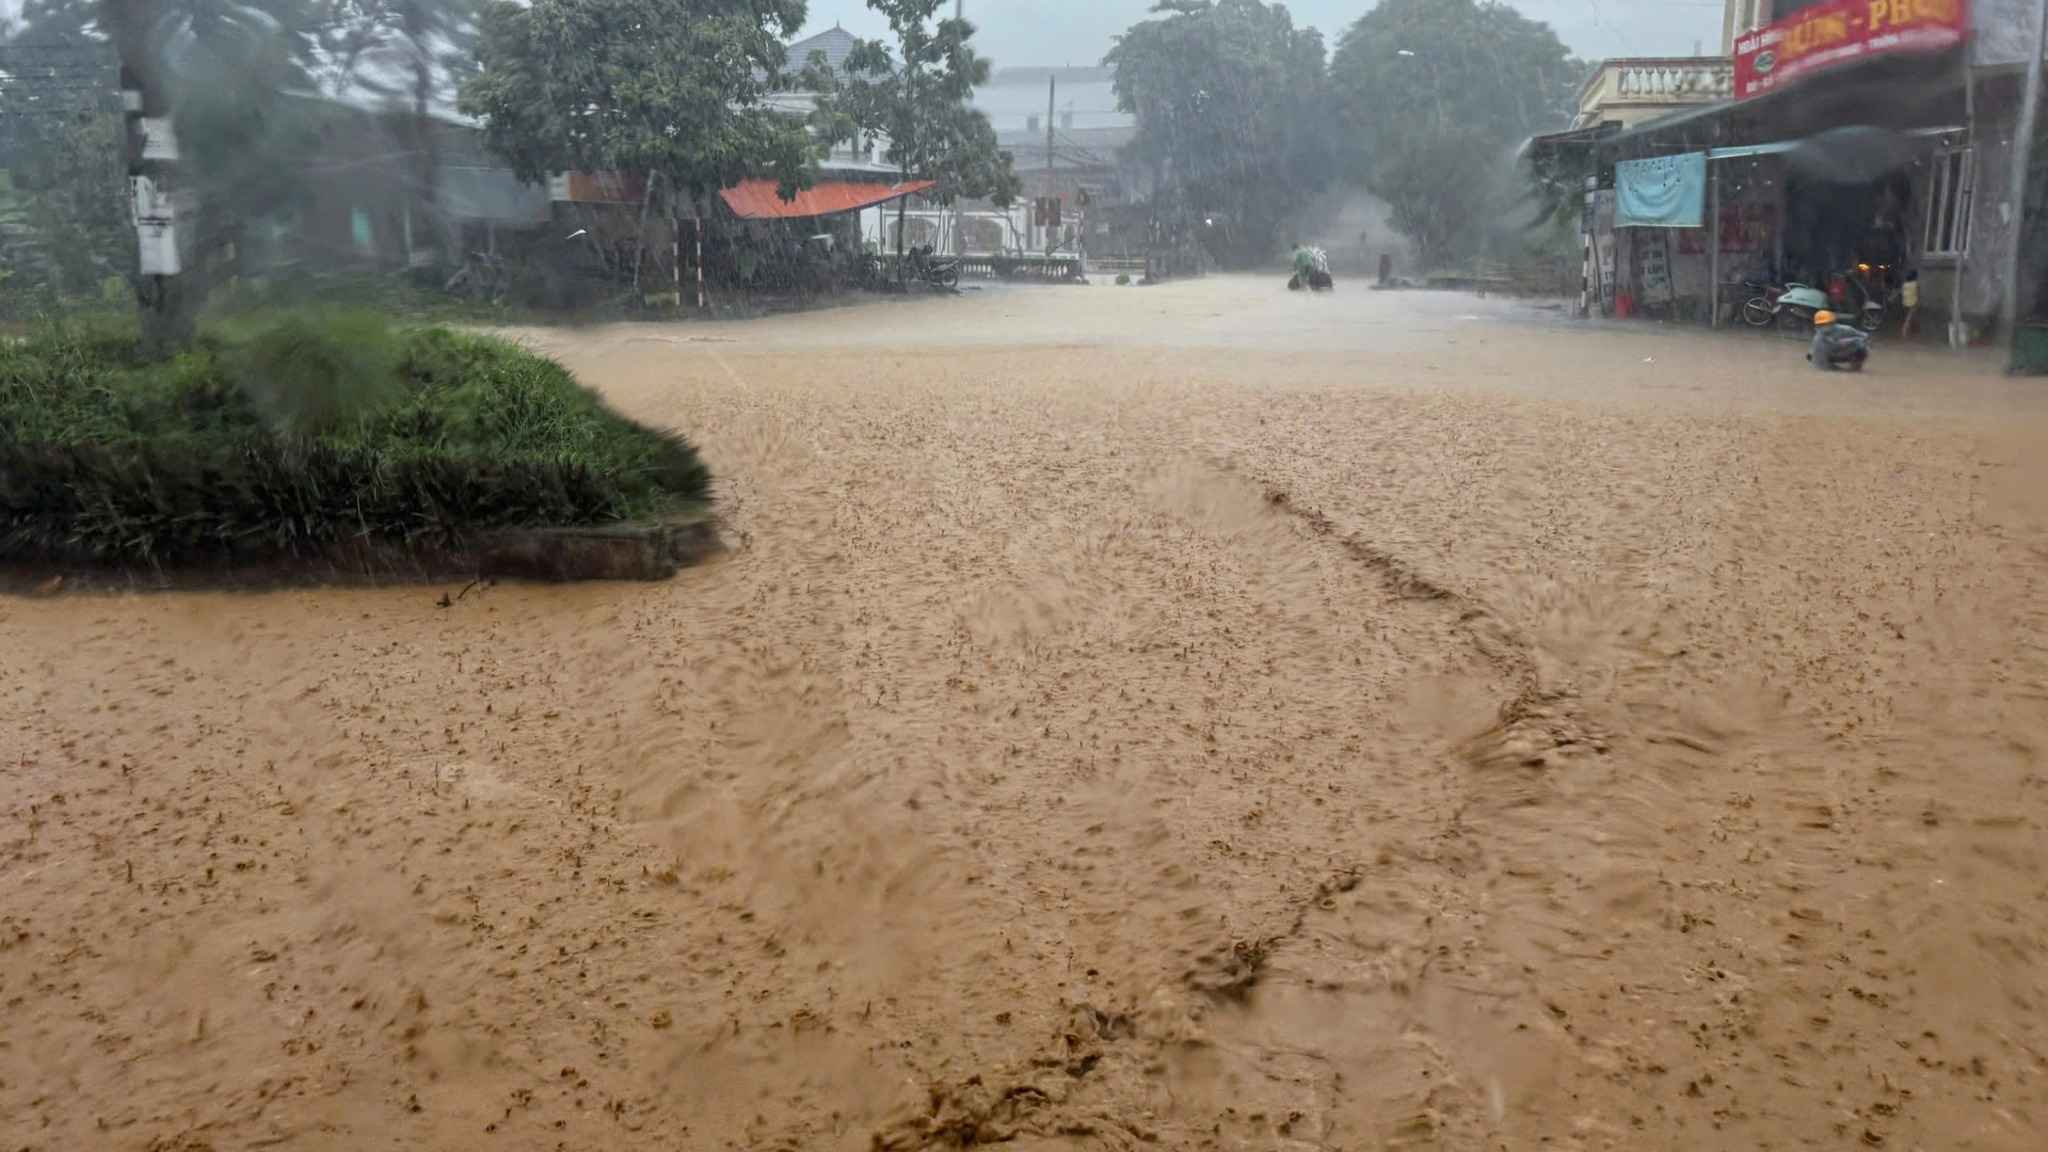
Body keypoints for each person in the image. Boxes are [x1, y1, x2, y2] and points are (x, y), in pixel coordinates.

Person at [1900, 269, 1921, 339]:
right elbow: (1918, 294)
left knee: (1913, 316)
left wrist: (1903, 302)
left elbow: (1903, 294)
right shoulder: (1916, 284)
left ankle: (1915, 330)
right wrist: (1918, 302)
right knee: (1909, 318)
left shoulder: (1904, 284)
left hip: (1905, 302)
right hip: (1913, 303)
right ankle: (1904, 331)